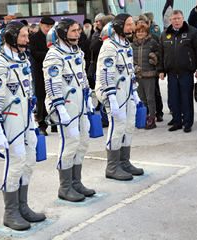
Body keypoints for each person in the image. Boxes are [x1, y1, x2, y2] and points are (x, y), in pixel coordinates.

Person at [0, 21, 46, 230]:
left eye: (27, 36)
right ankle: (10, 212)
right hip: (10, 120)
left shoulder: (21, 60)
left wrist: (34, 121)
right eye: (23, 36)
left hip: (26, 118)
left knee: (29, 161)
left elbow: (28, 93)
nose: (27, 40)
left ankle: (22, 206)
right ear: (10, 37)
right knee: (16, 162)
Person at [43, 18, 96, 202]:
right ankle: (65, 187)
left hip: (79, 104)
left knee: (83, 141)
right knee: (70, 142)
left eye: (78, 30)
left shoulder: (77, 52)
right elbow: (52, 84)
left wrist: (88, 98)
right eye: (73, 31)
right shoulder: (54, 56)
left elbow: (82, 78)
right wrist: (60, 108)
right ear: (63, 33)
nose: (77, 34)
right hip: (64, 106)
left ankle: (76, 182)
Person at [95, 13, 144, 181]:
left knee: (129, 126)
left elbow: (129, 71)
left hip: (127, 92)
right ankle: (112, 166)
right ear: (119, 26)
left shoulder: (125, 45)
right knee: (117, 127)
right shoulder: (109, 46)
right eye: (129, 24)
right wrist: (111, 98)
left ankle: (124, 162)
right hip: (114, 93)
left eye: (133, 24)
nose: (132, 28)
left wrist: (135, 92)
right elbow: (105, 73)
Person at [158, 10, 197, 133]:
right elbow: (161, 54)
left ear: (183, 19)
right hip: (172, 73)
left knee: (186, 99)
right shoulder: (164, 34)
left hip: (186, 73)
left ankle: (187, 123)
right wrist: (161, 70)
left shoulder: (192, 32)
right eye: (174, 18)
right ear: (170, 20)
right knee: (174, 99)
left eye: (179, 18)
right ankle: (177, 122)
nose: (177, 21)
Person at [29, 16, 55, 136]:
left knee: (55, 95)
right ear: (41, 25)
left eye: (51, 27)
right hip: (39, 71)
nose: (49, 29)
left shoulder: (55, 36)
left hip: (53, 72)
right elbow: (34, 53)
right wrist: (51, 55)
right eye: (47, 27)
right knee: (41, 98)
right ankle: (42, 125)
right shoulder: (34, 37)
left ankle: (55, 123)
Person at [131, 23, 159, 130]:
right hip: (138, 76)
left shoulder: (152, 43)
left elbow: (158, 55)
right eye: (138, 31)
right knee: (141, 99)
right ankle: (143, 118)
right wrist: (134, 67)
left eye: (142, 31)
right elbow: (129, 59)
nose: (140, 33)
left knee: (150, 98)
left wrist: (154, 59)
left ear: (147, 32)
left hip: (149, 74)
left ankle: (152, 118)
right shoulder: (132, 45)